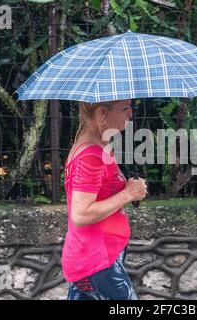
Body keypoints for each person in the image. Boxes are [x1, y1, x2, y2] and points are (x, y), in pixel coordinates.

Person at [62, 99, 147, 300]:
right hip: (97, 262)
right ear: (102, 113)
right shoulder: (91, 155)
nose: (130, 114)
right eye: (124, 108)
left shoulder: (97, 147)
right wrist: (129, 194)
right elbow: (81, 214)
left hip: (94, 258)